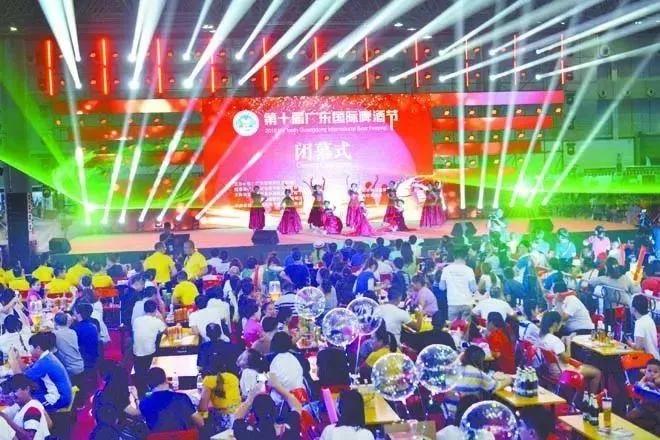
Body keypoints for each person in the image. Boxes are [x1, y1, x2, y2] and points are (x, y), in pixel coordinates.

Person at [538, 311, 602, 392]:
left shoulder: (541, 337)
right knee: (597, 372)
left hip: (549, 371)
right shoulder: (554, 340)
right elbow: (567, 359)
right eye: (560, 323)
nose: (561, 325)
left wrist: (562, 343)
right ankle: (591, 398)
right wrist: (568, 343)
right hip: (564, 373)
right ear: (555, 324)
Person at [8, 332, 72, 411]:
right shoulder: (47, 357)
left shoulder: (45, 363)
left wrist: (12, 360)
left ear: (38, 348)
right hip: (62, 394)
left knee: (25, 402)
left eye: (31, 347)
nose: (30, 350)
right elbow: (26, 371)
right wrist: (17, 357)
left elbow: (20, 380)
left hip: (58, 398)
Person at [445, 345, 511, 418]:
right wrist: (510, 379)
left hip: (448, 413)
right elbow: (495, 386)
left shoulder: (452, 369)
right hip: (465, 415)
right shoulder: (477, 373)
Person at [232, 374, 302, 440]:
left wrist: (250, 399)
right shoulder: (288, 429)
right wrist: (277, 386)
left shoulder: (249, 435)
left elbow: (237, 417)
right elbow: (297, 406)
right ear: (275, 410)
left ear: (254, 415)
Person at [139, 367, 204, 433]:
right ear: (166, 380)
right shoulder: (182, 398)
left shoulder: (144, 403)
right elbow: (200, 423)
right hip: (184, 437)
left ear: (148, 385)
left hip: (158, 437)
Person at [0, 374, 51, 440]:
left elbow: (29, 438)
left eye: (15, 391)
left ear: (27, 389)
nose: (12, 395)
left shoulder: (32, 408)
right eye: (10, 392)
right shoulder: (24, 407)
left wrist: (6, 419)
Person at [132, 300, 166, 397]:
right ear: (155, 310)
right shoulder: (157, 321)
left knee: (140, 374)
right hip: (150, 353)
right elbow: (166, 331)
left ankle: (141, 394)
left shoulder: (136, 321)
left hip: (136, 352)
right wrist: (160, 317)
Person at [198, 357, 241, 433]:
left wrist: (201, 421)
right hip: (238, 416)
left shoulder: (208, 380)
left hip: (222, 420)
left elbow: (203, 406)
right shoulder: (233, 377)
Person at [440, 246, 477, 320]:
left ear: (454, 256)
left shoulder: (446, 269)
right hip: (466, 302)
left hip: (453, 302)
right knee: (465, 326)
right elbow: (473, 288)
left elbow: (442, 287)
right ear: (465, 257)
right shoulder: (469, 270)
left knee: (453, 326)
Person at [627, 358, 660, 435]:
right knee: (630, 416)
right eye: (649, 371)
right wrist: (643, 381)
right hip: (644, 406)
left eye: (655, 372)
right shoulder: (644, 379)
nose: (652, 374)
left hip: (657, 409)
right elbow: (638, 387)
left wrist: (655, 385)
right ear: (645, 371)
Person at [627, 295, 659, 359]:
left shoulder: (639, 323)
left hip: (648, 360)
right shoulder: (649, 319)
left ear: (634, 309)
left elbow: (638, 347)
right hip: (655, 356)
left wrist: (630, 343)